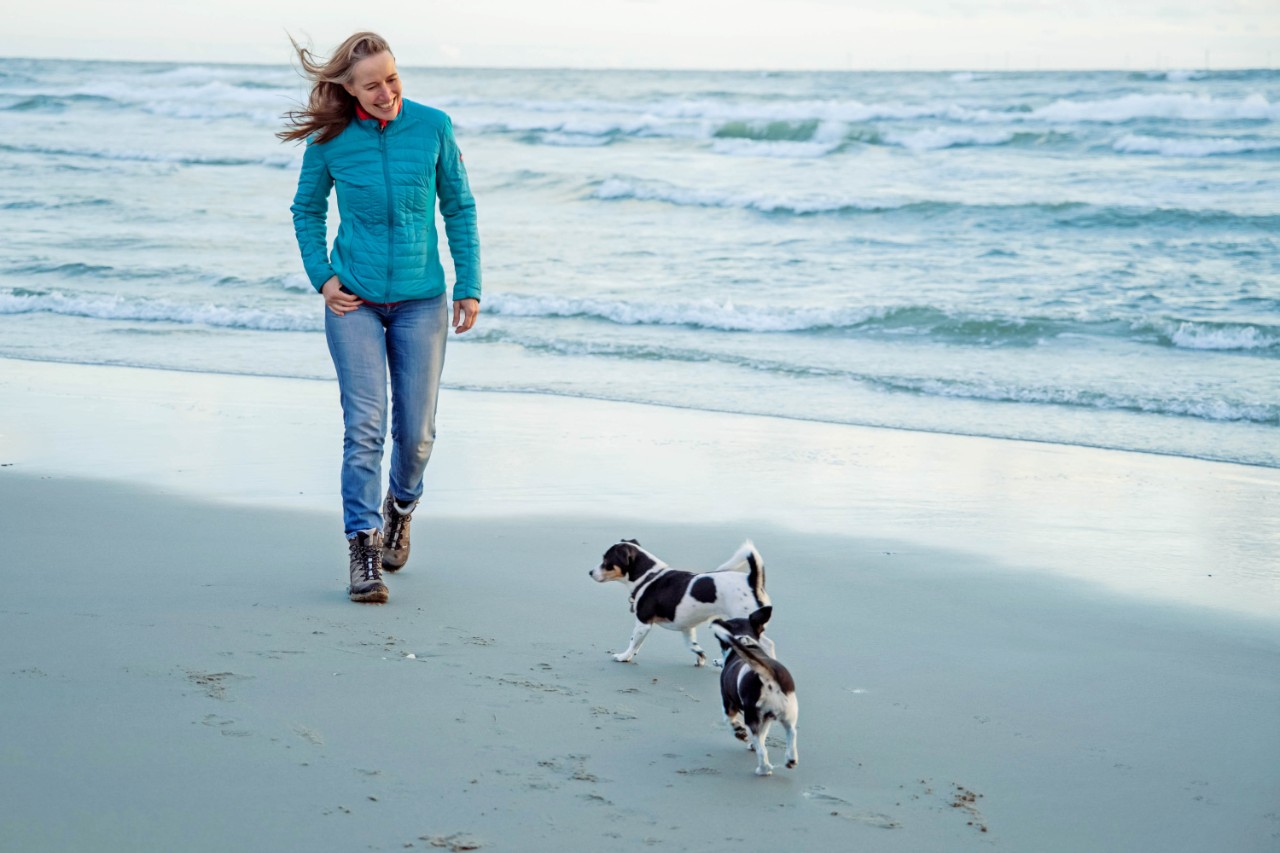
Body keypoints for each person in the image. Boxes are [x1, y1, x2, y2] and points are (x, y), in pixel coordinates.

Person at [280, 32, 480, 604]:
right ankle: (362, 549)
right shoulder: (330, 139)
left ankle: (401, 508)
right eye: (373, 85)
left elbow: (459, 205)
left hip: (422, 299)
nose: (387, 91)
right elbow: (306, 209)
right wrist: (323, 276)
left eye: (393, 78)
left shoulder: (433, 126)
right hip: (355, 300)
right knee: (365, 426)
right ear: (348, 88)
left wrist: (469, 284)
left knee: (416, 436)